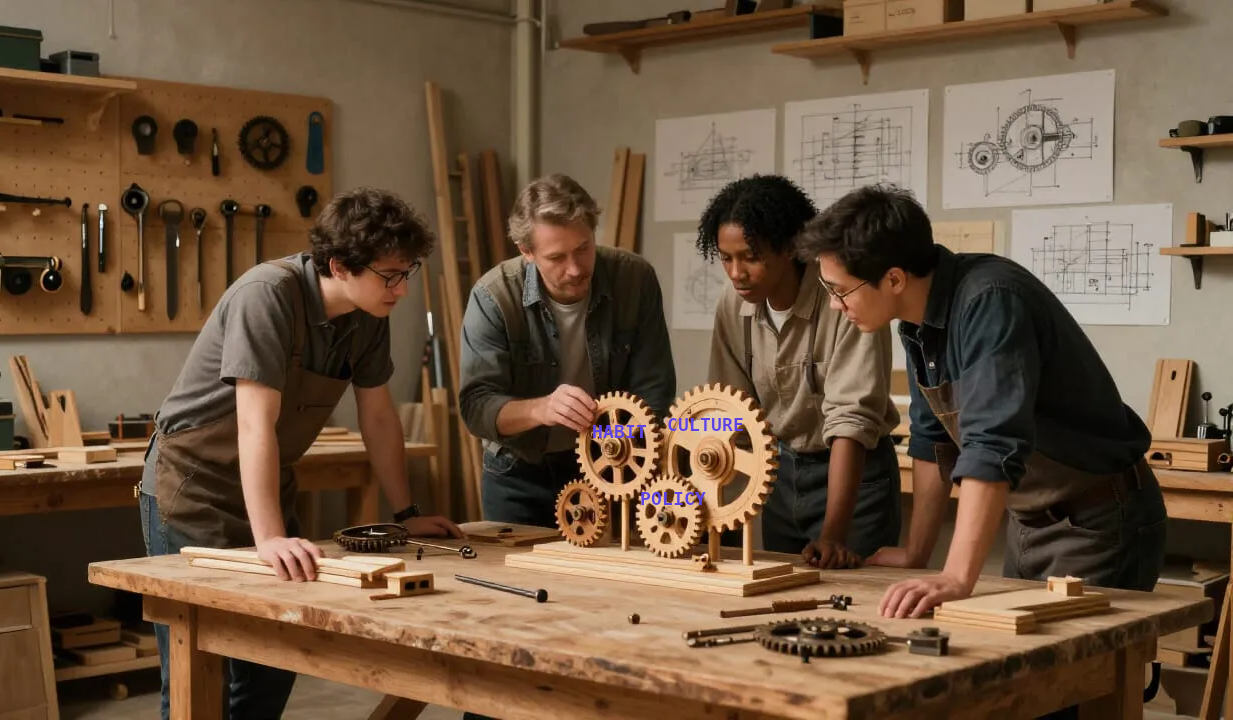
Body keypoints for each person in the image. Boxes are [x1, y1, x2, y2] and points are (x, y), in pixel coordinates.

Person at [137, 187, 462, 720]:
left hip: (266, 485)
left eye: (408, 272)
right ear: (339, 264)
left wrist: (406, 515)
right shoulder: (267, 295)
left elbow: (378, 417)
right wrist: (268, 538)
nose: (402, 290)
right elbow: (253, 422)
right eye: (390, 275)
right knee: (200, 667)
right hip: (192, 488)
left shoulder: (368, 314)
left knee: (276, 655)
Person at [796, 183, 1167, 620]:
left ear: (894, 279)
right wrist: (917, 552)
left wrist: (955, 577)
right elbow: (934, 438)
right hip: (1029, 519)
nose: (835, 305)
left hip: (1097, 522)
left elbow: (992, 443)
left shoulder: (990, 301)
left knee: (1068, 680)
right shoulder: (916, 321)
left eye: (840, 290)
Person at [700, 174, 903, 568]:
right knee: (785, 596)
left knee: (851, 602)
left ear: (790, 247)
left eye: (751, 256)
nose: (737, 272)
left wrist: (834, 533)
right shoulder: (732, 305)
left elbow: (851, 421)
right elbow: (729, 412)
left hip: (854, 477)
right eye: (727, 258)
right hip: (781, 472)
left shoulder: (843, 297)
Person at [459, 173, 677, 528]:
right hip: (518, 472)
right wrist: (542, 409)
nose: (575, 269)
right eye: (557, 257)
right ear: (526, 252)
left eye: (583, 248)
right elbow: (476, 406)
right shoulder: (493, 296)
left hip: (610, 466)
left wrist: (623, 454)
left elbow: (654, 389)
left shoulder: (634, 280)